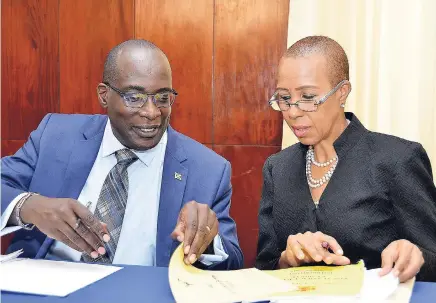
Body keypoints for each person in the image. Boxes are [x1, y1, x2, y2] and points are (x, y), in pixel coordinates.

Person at [1, 39, 243, 270]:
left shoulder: (208, 170)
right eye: (134, 98)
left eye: (162, 98)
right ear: (104, 95)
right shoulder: (55, 135)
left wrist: (207, 241)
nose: (151, 112)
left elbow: (232, 263)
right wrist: (30, 207)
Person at [255, 36, 436, 282]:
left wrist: (417, 256)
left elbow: (433, 256)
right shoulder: (277, 169)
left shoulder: (397, 159)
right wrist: (288, 260)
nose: (293, 112)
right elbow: (264, 267)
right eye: (284, 98)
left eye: (308, 97)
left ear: (342, 93)